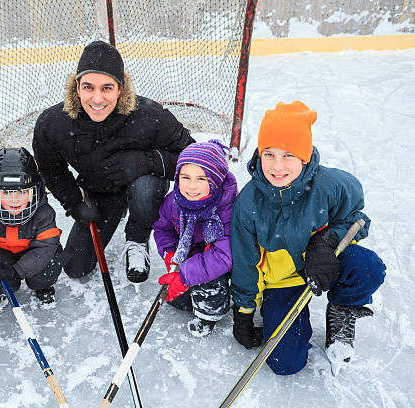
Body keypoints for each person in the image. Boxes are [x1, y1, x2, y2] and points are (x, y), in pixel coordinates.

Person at [230, 100, 386, 375]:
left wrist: (325, 241)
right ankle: (282, 316)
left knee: (367, 267)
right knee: (284, 363)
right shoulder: (248, 203)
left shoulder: (331, 185)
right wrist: (243, 312)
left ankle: (342, 311)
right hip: (283, 281)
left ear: (304, 156)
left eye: (288, 155)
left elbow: (359, 220)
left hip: (329, 262)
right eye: (269, 154)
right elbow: (245, 264)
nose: (277, 166)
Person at [32, 40, 195, 284]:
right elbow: (50, 169)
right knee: (76, 267)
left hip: (141, 185)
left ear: (120, 89)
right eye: (89, 87)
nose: (97, 99)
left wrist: (146, 161)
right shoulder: (53, 123)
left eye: (107, 88)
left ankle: (138, 239)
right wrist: (75, 204)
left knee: (146, 187)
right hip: (100, 192)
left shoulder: (151, 116)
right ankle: (116, 211)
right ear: (77, 87)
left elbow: (195, 160)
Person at [152, 140, 237, 337]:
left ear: (215, 180)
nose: (191, 186)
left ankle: (208, 315)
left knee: (211, 285)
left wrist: (184, 276)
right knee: (177, 302)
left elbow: (223, 256)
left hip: (218, 260)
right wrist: (169, 253)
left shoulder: (227, 208)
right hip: (190, 254)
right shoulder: (173, 201)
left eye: (202, 179)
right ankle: (192, 289)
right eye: (185, 177)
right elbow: (163, 229)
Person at [0, 147, 66, 309]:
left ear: (34, 191)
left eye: (22, 192)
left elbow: (46, 247)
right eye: (6, 193)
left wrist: (17, 271)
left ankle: (43, 286)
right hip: (2, 253)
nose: (14, 200)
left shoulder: (44, 214)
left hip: (32, 252)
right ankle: (0, 291)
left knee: (45, 269)